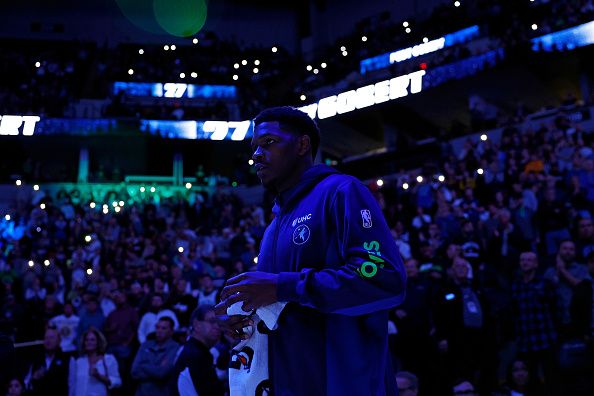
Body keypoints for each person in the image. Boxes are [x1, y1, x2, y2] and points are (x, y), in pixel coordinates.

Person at [215, 106, 407, 394]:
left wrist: (283, 286)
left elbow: (385, 277)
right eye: (254, 147)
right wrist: (244, 316)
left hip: (344, 383)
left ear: (303, 145)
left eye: (268, 143)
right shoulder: (274, 224)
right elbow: (282, 305)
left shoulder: (342, 191)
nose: (255, 155)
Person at [174, 306, 224, 396]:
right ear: (196, 325)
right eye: (212, 321)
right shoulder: (195, 356)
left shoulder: (195, 351)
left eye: (219, 322)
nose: (217, 326)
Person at [131, 317, 180, 396]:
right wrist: (155, 369)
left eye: (163, 328)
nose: (159, 331)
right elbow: (134, 371)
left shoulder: (175, 348)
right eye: (157, 327)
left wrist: (143, 365)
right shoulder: (145, 345)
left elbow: (162, 373)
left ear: (171, 331)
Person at [68, 327, 121, 396]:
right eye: (86, 340)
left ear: (98, 342)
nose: (89, 342)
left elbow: (117, 382)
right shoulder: (78, 361)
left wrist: (99, 376)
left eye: (92, 340)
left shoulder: (108, 359)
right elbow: (72, 385)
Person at [24, 325, 69, 395]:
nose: (48, 340)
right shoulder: (36, 360)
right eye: (46, 338)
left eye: (51, 338)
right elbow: (26, 384)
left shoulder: (67, 360)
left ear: (59, 341)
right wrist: (34, 378)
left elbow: (72, 386)